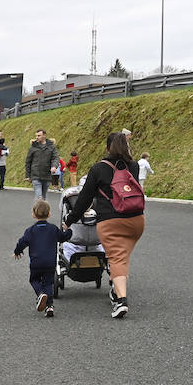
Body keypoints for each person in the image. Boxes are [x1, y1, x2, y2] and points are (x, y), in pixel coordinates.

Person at [64, 131, 145, 319]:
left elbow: (84, 200)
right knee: (122, 257)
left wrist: (69, 220)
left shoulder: (98, 168)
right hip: (137, 221)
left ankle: (121, 300)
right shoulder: (133, 166)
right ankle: (115, 288)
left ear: (107, 148)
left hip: (111, 221)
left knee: (117, 259)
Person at [14, 199, 73, 317]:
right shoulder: (53, 229)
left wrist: (17, 251)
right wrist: (68, 230)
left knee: (34, 280)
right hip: (50, 262)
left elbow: (22, 242)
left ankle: (40, 294)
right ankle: (49, 306)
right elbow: (63, 238)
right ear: (49, 214)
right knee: (48, 283)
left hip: (36, 262)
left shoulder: (30, 231)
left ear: (33, 214)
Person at [24, 128, 57, 201]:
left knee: (43, 196)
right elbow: (28, 162)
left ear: (44, 136)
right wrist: (27, 175)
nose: (37, 137)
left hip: (47, 175)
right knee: (39, 197)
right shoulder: (33, 147)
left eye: (39, 135)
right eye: (36, 136)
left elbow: (55, 158)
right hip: (36, 175)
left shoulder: (51, 147)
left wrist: (54, 166)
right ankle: (38, 210)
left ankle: (40, 211)